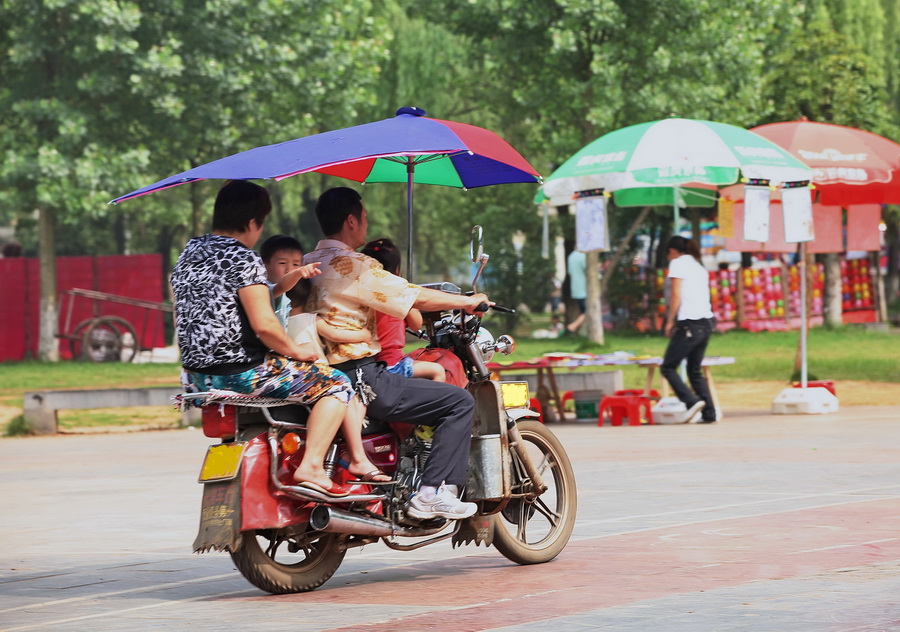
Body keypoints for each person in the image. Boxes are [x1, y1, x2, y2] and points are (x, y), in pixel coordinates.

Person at [304, 187, 492, 521]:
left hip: (320, 375)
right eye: (363, 218)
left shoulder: (305, 262)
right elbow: (412, 296)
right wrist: (467, 301)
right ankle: (431, 493)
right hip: (362, 375)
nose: (365, 224)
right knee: (459, 402)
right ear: (351, 221)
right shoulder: (356, 265)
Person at [171, 180, 355, 497]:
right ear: (254, 222)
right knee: (336, 384)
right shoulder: (243, 258)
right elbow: (266, 326)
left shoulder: (189, 254)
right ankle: (311, 465)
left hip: (195, 377)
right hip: (239, 372)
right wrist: (296, 351)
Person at [283, 276, 391, 482]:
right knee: (352, 397)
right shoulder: (311, 319)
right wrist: (364, 334)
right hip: (318, 375)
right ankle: (355, 453)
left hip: (295, 376)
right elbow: (335, 334)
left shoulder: (281, 319)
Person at [361, 237, 445, 381]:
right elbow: (416, 324)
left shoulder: (361, 295)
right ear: (397, 270)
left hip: (366, 364)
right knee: (437, 370)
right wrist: (409, 300)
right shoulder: (398, 295)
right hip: (393, 364)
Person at [661, 235, 717, 423]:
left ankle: (691, 401)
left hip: (689, 322)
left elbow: (676, 294)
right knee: (694, 370)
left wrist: (670, 321)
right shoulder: (698, 265)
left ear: (672, 251)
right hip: (706, 323)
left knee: (668, 366)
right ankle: (709, 413)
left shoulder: (678, 263)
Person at [260, 234, 305, 327]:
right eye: (282, 263)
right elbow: (280, 287)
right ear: (265, 264)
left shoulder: (301, 293)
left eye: (296, 264)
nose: (289, 270)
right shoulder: (261, 290)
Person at [565, 249, 587, 334]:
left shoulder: (571, 256)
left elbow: (570, 272)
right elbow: (588, 270)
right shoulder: (583, 256)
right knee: (587, 311)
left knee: (584, 311)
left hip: (576, 289)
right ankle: (573, 326)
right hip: (584, 289)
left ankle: (577, 328)